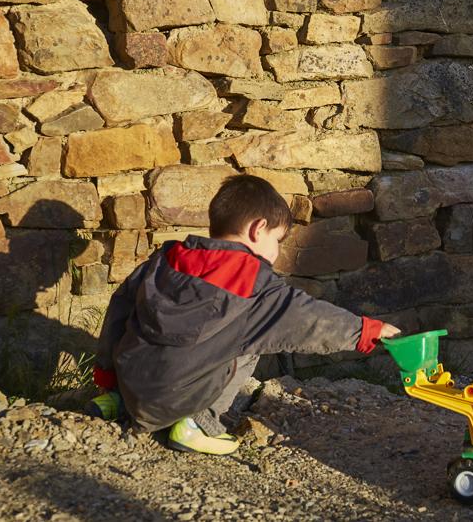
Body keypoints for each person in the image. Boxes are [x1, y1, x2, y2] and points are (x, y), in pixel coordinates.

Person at [87, 174, 400, 455]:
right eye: (276, 240)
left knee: (137, 320)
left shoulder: (166, 259)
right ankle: (197, 425)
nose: (276, 252)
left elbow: (119, 311)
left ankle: (113, 401)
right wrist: (366, 331)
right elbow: (309, 319)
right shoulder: (254, 284)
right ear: (257, 229)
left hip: (131, 388)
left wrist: (107, 375)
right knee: (250, 343)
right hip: (176, 401)